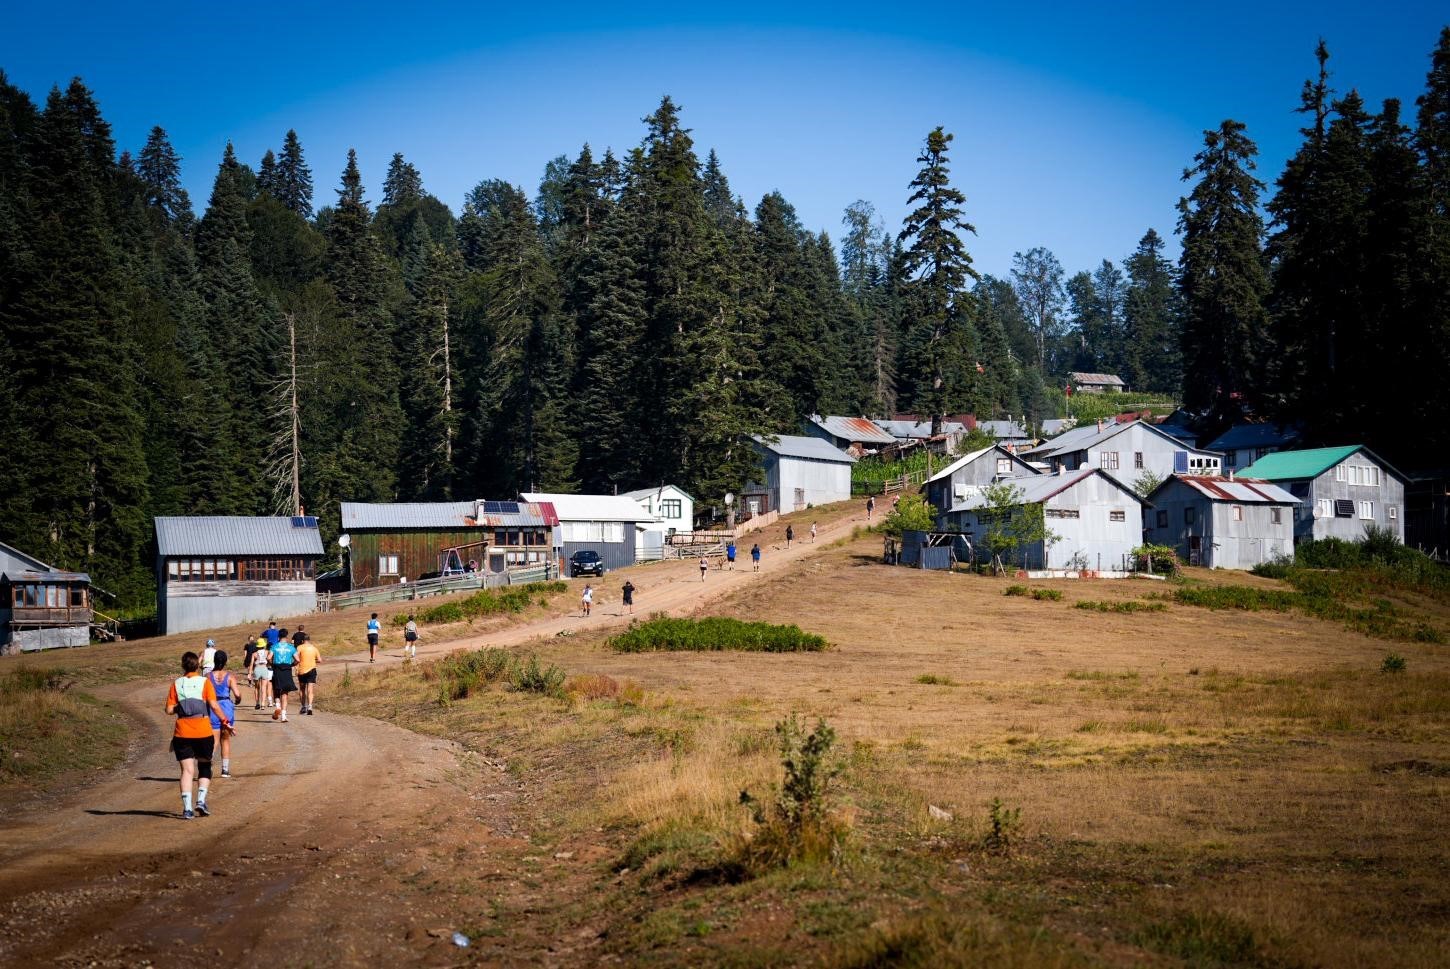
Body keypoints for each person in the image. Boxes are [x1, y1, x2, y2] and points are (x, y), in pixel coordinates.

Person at [166, 650, 232, 820]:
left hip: (182, 732)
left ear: (183, 665)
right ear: (198, 665)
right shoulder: (204, 682)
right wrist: (225, 722)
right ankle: (201, 801)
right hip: (203, 731)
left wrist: (181, 707)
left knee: (187, 771)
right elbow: (214, 706)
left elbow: (168, 710)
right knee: (204, 766)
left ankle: (187, 809)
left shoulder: (177, 683)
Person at [207, 651, 239, 778]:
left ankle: (207, 767)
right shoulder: (229, 676)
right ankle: (225, 770)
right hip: (226, 708)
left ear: (214, 660)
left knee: (213, 741)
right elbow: (237, 694)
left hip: (213, 707)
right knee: (225, 739)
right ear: (225, 661)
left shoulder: (208, 676)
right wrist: (238, 700)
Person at [269, 629, 297, 722]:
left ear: (278, 637)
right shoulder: (291, 647)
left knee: (276, 689)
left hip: (277, 669)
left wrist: (272, 664)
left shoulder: (274, 646)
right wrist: (292, 664)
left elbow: (268, 657)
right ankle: (284, 716)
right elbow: (298, 659)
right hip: (287, 669)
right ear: (287, 636)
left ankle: (277, 706)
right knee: (285, 692)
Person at [296, 636, 322, 716]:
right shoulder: (314, 648)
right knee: (310, 689)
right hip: (312, 670)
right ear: (309, 640)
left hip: (302, 670)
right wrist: (313, 660)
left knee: (302, 689)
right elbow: (320, 660)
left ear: (303, 640)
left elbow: (296, 658)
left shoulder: (299, 647)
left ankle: (304, 707)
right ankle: (310, 707)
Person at [248, 634, 272, 710]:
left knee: (256, 687)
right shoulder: (267, 652)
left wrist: (249, 673)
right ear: (264, 645)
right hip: (264, 668)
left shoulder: (254, 654)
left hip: (257, 669)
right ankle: (263, 704)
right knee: (264, 687)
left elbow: (251, 664)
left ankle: (257, 703)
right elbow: (269, 661)